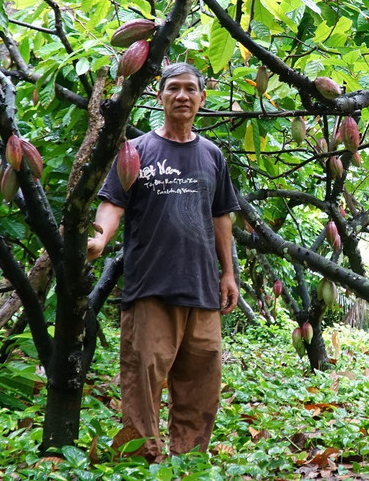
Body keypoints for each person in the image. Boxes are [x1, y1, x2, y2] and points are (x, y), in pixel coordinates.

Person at [86, 62, 240, 460]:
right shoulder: (135, 152)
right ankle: (144, 459)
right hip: (150, 285)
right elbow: (112, 204)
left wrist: (228, 273)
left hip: (202, 288)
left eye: (191, 89)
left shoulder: (212, 155)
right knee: (144, 379)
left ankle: (189, 458)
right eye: (174, 88)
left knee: (201, 382)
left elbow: (221, 217)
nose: (182, 96)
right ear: (160, 97)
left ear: (203, 99)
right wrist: (99, 240)